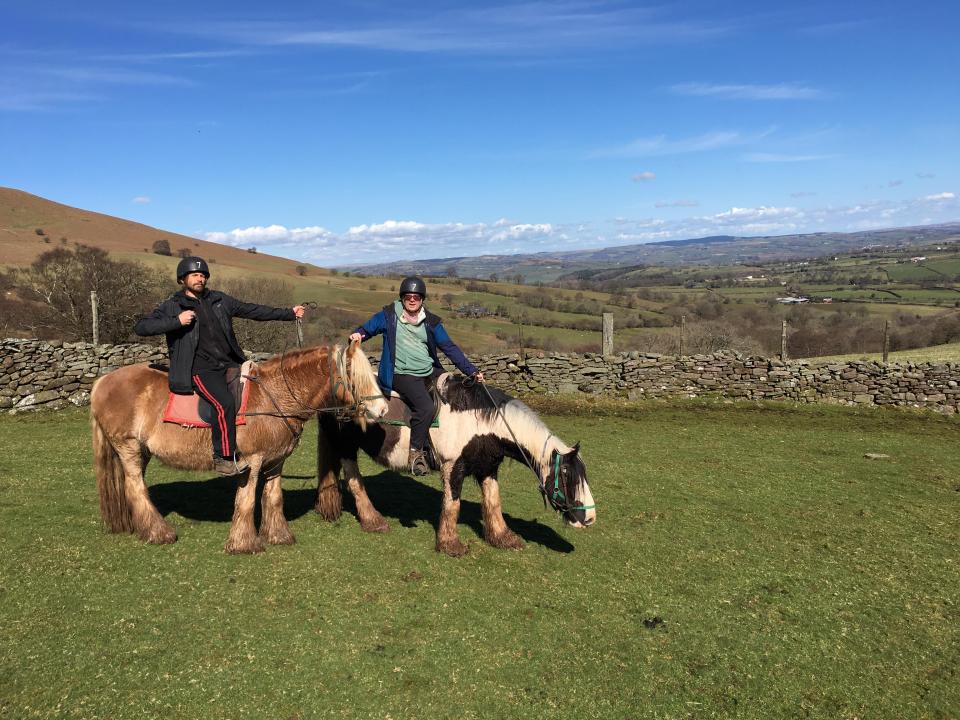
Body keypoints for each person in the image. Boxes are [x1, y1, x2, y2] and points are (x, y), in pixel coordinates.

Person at [135, 256, 305, 476]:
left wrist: (289, 314)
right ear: (183, 279)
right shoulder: (173, 306)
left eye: (203, 275)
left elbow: (252, 310)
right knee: (224, 402)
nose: (200, 278)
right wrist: (176, 321)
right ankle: (223, 457)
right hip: (198, 369)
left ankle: (252, 444)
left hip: (230, 364)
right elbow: (142, 327)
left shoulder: (219, 300)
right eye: (195, 275)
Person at [350, 276, 484, 476]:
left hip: (429, 371)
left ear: (422, 299)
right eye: (408, 296)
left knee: (456, 391)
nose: (412, 300)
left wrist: (471, 371)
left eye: (416, 297)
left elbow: (449, 347)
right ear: (402, 298)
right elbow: (366, 329)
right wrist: (358, 334)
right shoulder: (388, 316)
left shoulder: (430, 321)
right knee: (425, 406)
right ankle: (415, 454)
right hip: (401, 374)